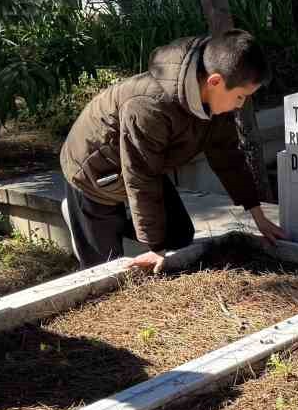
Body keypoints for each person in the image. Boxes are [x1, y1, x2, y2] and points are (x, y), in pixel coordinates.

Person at [59, 29, 286, 271]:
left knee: (179, 235)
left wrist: (256, 213)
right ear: (215, 81)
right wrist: (154, 248)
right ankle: (80, 219)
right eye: (240, 97)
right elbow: (141, 175)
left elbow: (227, 155)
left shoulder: (214, 99)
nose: (241, 105)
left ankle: (119, 224)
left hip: (142, 164)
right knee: (102, 269)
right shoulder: (149, 106)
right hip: (94, 170)